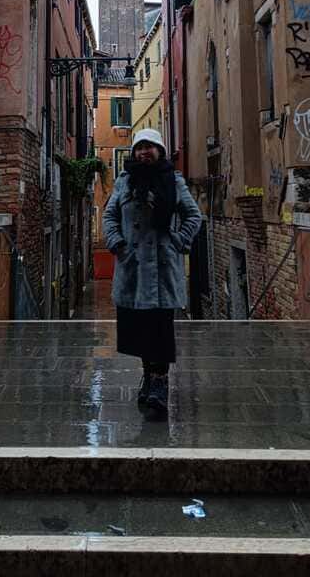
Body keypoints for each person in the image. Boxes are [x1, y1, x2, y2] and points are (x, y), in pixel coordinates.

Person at [102, 128, 203, 413]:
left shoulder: (173, 180)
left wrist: (178, 242)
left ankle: (159, 383)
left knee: (159, 327)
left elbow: (193, 215)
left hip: (161, 266)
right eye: (139, 147)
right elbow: (110, 215)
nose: (144, 152)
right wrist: (116, 243)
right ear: (134, 152)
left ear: (160, 150)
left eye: (150, 147)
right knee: (139, 329)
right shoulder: (125, 181)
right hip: (132, 264)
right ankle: (148, 376)